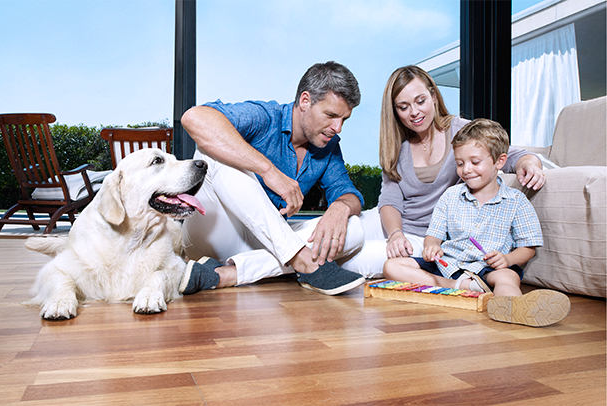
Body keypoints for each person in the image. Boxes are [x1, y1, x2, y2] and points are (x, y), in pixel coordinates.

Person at [178, 61, 367, 296]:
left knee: (354, 227)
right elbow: (194, 118)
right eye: (331, 115)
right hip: (215, 234)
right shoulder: (266, 117)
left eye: (344, 119)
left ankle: (224, 274)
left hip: (266, 243)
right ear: (305, 101)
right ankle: (302, 260)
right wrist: (268, 171)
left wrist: (340, 206)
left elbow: (350, 194)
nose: (337, 128)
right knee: (216, 153)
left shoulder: (328, 147)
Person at [338, 65, 546, 278]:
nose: (414, 112)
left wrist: (529, 163)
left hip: (426, 236)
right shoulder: (397, 145)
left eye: (420, 101)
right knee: (337, 232)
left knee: (350, 262)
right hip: (392, 224)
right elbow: (390, 200)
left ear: (434, 96)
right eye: (403, 107)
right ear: (395, 111)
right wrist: (395, 234)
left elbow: (507, 154)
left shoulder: (460, 131)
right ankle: (306, 262)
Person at [382, 118, 570, 327]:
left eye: (475, 162)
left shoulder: (517, 202)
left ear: (499, 161)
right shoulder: (450, 196)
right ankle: (461, 286)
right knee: (392, 266)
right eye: (460, 163)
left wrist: (507, 260)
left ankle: (512, 307)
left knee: (508, 278)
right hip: (449, 265)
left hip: (490, 270)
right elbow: (433, 236)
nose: (466, 170)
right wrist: (431, 247)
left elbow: (528, 248)